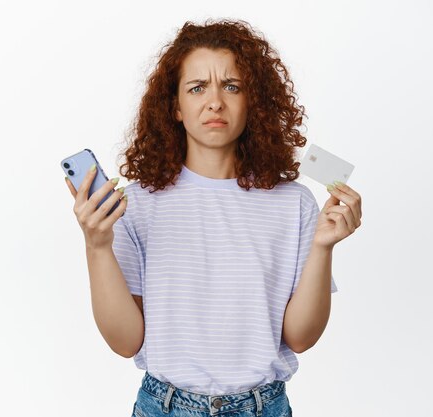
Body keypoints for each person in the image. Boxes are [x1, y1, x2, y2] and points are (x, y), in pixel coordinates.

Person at [65, 18, 362, 417]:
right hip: (164, 407)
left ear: (252, 102)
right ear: (175, 106)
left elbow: (301, 337)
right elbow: (125, 342)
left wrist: (324, 247)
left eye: (232, 86)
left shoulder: (295, 204)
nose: (215, 101)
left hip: (263, 407)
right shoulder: (135, 206)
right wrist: (96, 245)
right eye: (197, 87)